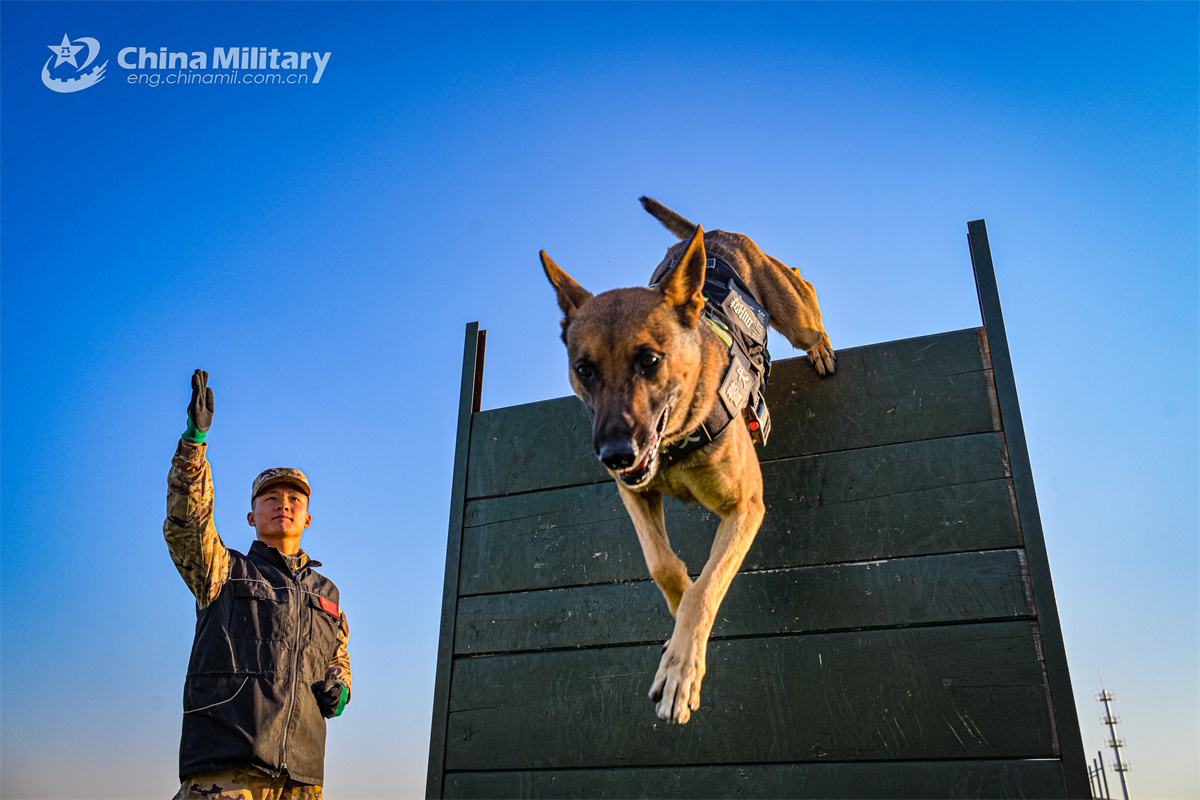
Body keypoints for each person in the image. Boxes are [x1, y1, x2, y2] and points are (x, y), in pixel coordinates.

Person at [165, 369, 351, 800]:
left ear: (307, 517)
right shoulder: (223, 570)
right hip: (228, 768)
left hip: (302, 779)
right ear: (252, 516)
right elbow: (186, 524)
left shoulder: (328, 594)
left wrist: (340, 687)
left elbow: (338, 660)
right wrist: (194, 446)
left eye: (293, 499)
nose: (282, 504)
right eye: (270, 498)